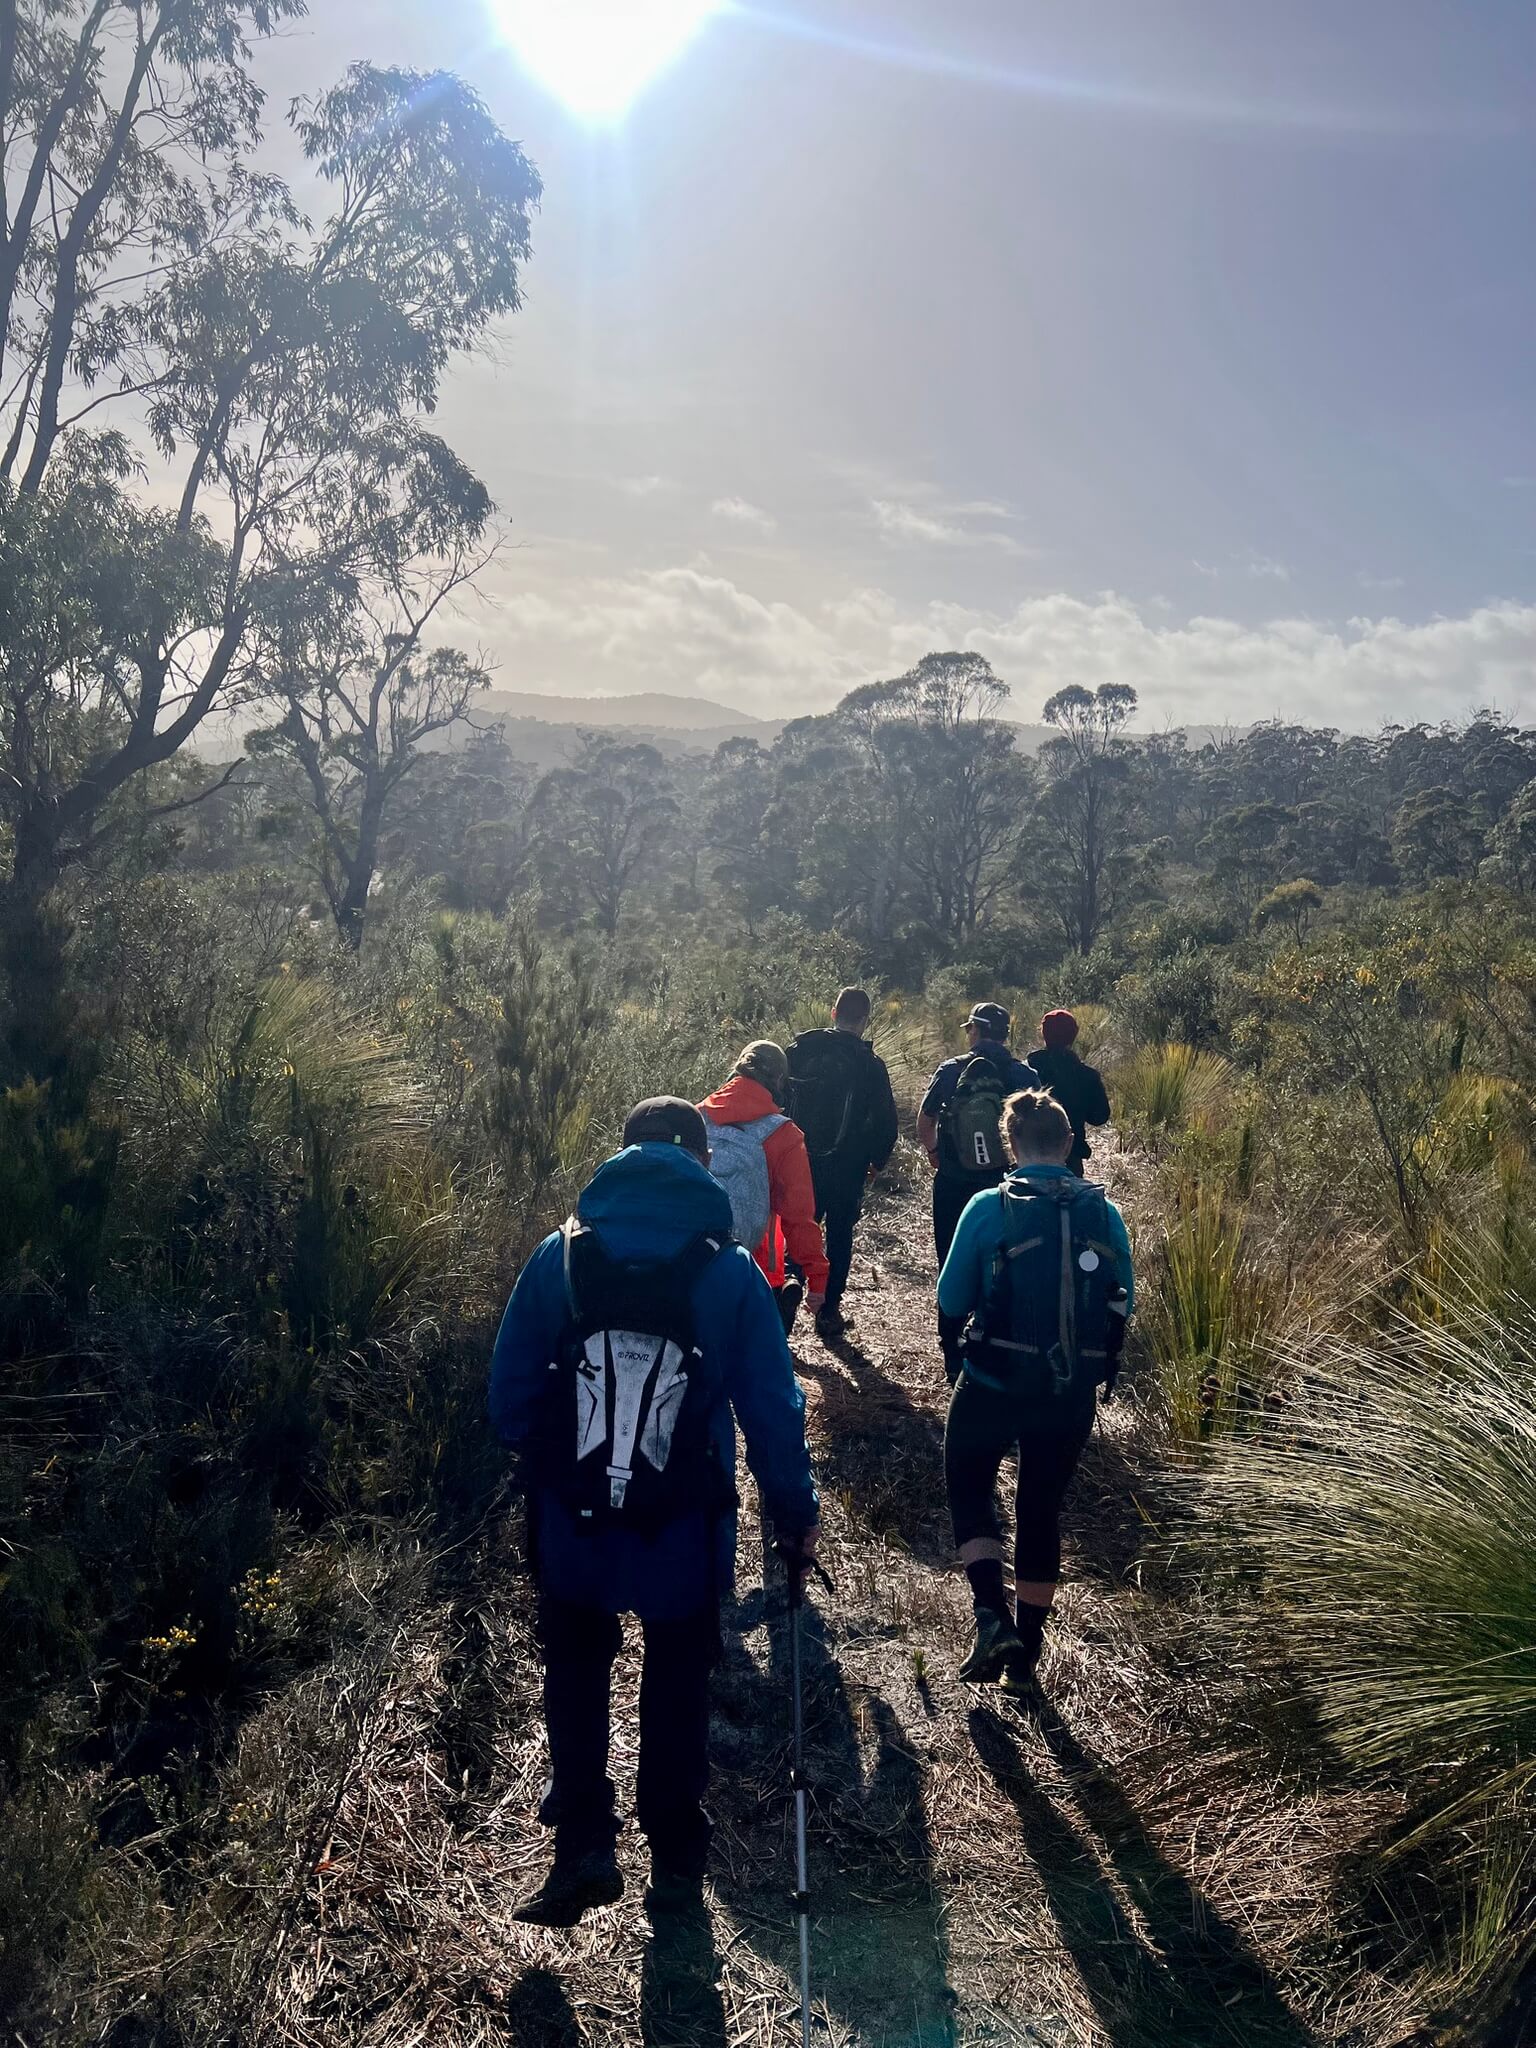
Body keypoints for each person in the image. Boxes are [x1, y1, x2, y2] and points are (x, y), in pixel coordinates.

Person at [489, 1096, 820, 1926]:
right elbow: (772, 1409)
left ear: (623, 1154)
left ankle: (584, 1848)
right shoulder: (731, 1271)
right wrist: (793, 1509)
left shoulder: (560, 1257)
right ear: (702, 1164)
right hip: (684, 1523)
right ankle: (673, 1848)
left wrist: (560, 1463)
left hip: (574, 1522)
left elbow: (507, 1400)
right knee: (677, 1673)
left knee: (573, 1667)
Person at [937, 1088, 1133, 1696]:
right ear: (1070, 1144)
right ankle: (1026, 1663)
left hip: (994, 1380)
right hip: (1068, 1390)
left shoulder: (988, 1207)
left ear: (1008, 1143)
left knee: (969, 1481)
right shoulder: (1106, 1214)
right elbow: (1121, 1299)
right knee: (1040, 1510)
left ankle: (990, 1616)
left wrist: (958, 1358)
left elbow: (950, 1302)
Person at [915, 1002, 1034, 1378]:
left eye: (971, 1029)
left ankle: (952, 1354)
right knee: (1005, 1261)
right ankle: (992, 1345)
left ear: (977, 1031)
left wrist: (935, 1152)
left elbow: (926, 1117)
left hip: (954, 1183)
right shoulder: (1023, 1074)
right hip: (1006, 1186)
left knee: (951, 1261)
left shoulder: (951, 1070)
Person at [786, 987, 900, 1341]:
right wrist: (876, 1162)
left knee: (798, 1229)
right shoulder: (870, 1065)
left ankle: (785, 1294)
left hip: (799, 1160)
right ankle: (829, 1311)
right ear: (865, 1021)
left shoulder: (799, 1050)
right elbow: (886, 1123)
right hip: (848, 1166)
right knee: (839, 1236)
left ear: (833, 1013)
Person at [699, 1041, 829, 1335]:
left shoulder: (696, 1117)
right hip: (755, 1267)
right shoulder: (784, 1135)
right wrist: (817, 1278)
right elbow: (799, 1218)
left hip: (691, 1261)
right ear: (780, 1081)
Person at [1026, 1008, 1112, 1178]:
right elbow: (1100, 1117)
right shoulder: (1087, 1075)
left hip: (1030, 1154)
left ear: (1044, 1034)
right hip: (1070, 1155)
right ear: (1073, 1036)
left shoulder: (1027, 1069)